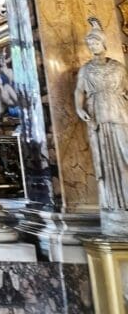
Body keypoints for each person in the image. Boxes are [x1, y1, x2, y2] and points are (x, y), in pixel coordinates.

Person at [74, 17, 128, 216]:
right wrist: (80, 109)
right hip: (98, 115)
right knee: (107, 161)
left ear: (104, 43)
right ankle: (113, 204)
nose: (93, 46)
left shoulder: (118, 67)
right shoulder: (86, 69)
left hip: (120, 113)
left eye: (96, 42)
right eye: (90, 43)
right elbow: (79, 91)